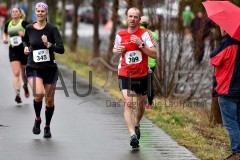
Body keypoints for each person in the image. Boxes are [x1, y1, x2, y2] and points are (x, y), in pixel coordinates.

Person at [113, 7, 157, 148]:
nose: (132, 19)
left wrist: (141, 44)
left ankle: (137, 123)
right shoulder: (120, 35)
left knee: (141, 104)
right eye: (130, 16)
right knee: (128, 103)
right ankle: (132, 135)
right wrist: (118, 50)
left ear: (139, 19)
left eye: (135, 17)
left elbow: (154, 54)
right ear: (126, 18)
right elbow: (115, 49)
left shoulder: (145, 34)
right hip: (125, 73)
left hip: (142, 74)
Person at [23, 2, 64, 138]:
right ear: (35, 12)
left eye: (42, 11)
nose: (40, 13)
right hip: (33, 67)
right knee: (38, 94)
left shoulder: (52, 29)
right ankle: (37, 119)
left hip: (50, 69)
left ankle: (47, 125)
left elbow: (61, 49)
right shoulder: (29, 28)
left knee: (50, 100)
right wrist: (26, 48)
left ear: (46, 13)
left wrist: (48, 44)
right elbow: (26, 41)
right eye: (38, 11)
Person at [210, 27, 240, 160]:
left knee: (230, 123)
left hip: (227, 88)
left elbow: (214, 59)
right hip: (238, 89)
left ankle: (237, 152)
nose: (221, 29)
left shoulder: (228, 42)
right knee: (238, 121)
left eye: (222, 27)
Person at [2, 7, 30, 103]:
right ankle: (17, 94)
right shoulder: (8, 24)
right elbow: (4, 33)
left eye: (16, 11)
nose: (14, 13)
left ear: (20, 13)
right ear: (11, 14)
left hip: (24, 50)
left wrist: (24, 34)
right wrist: (4, 39)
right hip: (13, 50)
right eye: (13, 11)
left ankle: (25, 86)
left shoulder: (24, 23)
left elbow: (31, 33)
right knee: (16, 72)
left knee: (24, 74)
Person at [139, 16, 157, 110]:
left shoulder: (136, 33)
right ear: (148, 24)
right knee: (149, 84)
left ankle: (139, 102)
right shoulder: (153, 34)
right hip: (151, 63)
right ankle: (149, 104)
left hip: (140, 62)